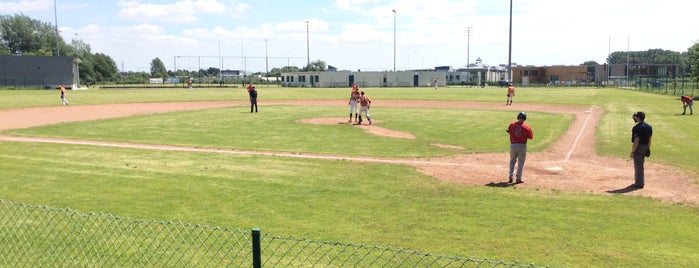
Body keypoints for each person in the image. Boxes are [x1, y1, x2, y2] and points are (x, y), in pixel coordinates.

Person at [506, 111, 533, 183]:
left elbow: (509, 131)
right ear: (525, 118)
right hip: (522, 146)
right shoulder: (527, 127)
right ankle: (518, 179)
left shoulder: (511, 124)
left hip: (513, 145)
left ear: (518, 117)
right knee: (521, 162)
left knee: (512, 161)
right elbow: (530, 137)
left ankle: (511, 176)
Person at [629, 111, 652, 189]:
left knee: (638, 166)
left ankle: (639, 183)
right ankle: (639, 181)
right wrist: (648, 149)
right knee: (640, 165)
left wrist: (632, 152)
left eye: (636, 117)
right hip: (645, 147)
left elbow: (636, 141)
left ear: (638, 118)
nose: (634, 118)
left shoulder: (637, 128)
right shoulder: (649, 126)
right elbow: (649, 139)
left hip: (639, 148)